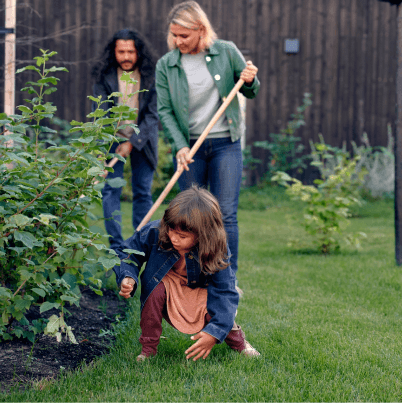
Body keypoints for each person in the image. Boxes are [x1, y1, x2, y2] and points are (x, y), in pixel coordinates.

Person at [155, 1, 260, 275]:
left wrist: (249, 79)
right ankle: (193, 275)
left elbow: (250, 89)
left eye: (184, 36)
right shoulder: (167, 65)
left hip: (226, 143)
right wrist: (179, 146)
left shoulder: (226, 51)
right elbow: (164, 110)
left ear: (201, 30)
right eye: (174, 35)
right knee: (189, 218)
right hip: (191, 148)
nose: (177, 41)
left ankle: (228, 279)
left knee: (225, 214)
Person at [114, 186, 260, 361]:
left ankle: (239, 343)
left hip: (199, 288)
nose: (174, 238)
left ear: (202, 235)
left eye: (182, 236)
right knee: (154, 292)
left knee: (216, 308)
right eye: (171, 231)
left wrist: (213, 333)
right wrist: (128, 276)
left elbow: (225, 292)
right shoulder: (155, 231)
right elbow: (128, 252)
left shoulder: (216, 247)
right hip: (168, 281)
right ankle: (148, 349)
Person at [92, 29, 159, 250]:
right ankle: (117, 247)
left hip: (143, 140)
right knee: (110, 190)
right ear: (114, 52)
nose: (126, 56)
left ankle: (141, 244)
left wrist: (132, 143)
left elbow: (152, 115)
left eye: (131, 51)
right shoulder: (104, 76)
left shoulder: (150, 75)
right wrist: (103, 149)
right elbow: (99, 111)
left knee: (142, 192)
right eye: (121, 51)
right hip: (112, 140)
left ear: (138, 52)